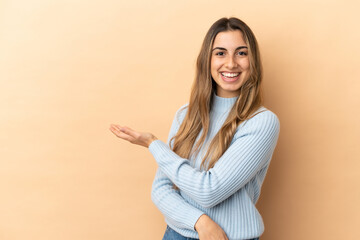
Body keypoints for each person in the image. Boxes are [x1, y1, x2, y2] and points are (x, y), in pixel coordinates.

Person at [109, 17, 280, 240]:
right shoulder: (186, 114)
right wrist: (199, 222)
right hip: (176, 234)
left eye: (241, 53)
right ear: (207, 60)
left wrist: (153, 144)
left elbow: (209, 190)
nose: (230, 63)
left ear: (253, 61)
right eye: (220, 53)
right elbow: (160, 189)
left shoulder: (262, 122)